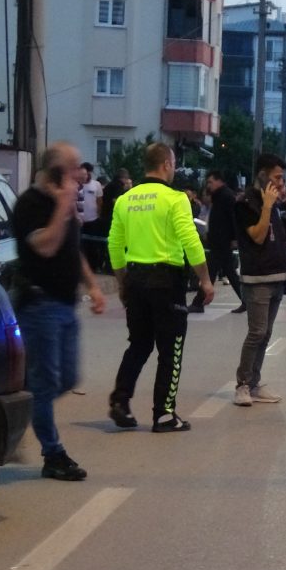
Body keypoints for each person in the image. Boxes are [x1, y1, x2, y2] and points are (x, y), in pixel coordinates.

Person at [11, 142, 106, 480]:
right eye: (74, 167)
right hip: (40, 306)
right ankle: (53, 454)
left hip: (65, 305)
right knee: (45, 382)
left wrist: (93, 285)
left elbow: (71, 250)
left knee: (65, 378)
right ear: (56, 172)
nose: (80, 174)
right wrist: (64, 205)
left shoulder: (61, 204)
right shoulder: (30, 205)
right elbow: (47, 246)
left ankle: (19, 402)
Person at [107, 142, 214, 433]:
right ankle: (164, 414)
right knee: (171, 349)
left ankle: (120, 399)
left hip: (135, 279)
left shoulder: (125, 200)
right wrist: (205, 279)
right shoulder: (175, 199)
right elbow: (190, 240)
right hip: (167, 281)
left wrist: (122, 283)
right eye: (174, 163)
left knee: (139, 344)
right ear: (166, 164)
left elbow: (114, 245)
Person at [232, 153, 286, 407]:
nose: (281, 182)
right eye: (277, 177)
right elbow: (257, 236)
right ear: (263, 175)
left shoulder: (273, 203)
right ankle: (243, 385)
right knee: (256, 332)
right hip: (257, 278)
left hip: (277, 276)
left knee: (266, 334)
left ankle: (254, 383)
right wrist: (266, 206)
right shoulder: (246, 203)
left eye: (283, 178)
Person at [205, 169, 246, 313]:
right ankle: (245, 301)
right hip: (218, 240)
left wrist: (234, 238)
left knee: (217, 271)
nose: (208, 185)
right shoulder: (218, 196)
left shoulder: (226, 196)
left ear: (219, 181)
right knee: (223, 271)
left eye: (210, 182)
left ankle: (199, 301)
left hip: (222, 241)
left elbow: (233, 218)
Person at [76, 162, 104, 271]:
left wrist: (98, 214)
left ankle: (93, 266)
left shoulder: (96, 185)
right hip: (79, 220)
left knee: (92, 244)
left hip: (92, 219)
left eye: (87, 174)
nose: (85, 176)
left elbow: (99, 201)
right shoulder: (76, 185)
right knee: (80, 244)